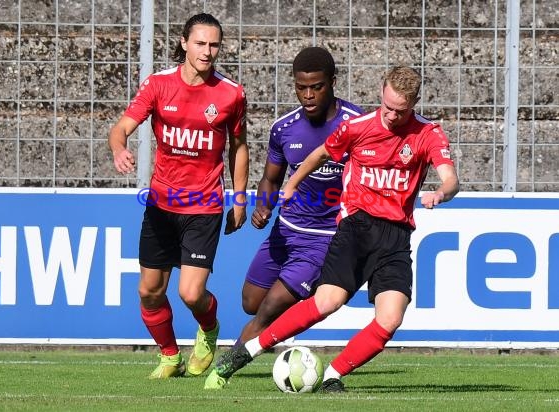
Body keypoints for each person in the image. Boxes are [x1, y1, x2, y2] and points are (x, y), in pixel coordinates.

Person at [205, 65, 459, 392]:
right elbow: (321, 152)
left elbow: (450, 176)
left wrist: (443, 192)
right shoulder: (358, 127)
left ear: (414, 103)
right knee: (327, 303)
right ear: (381, 93)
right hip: (355, 228)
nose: (392, 116)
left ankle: (333, 375)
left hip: (395, 237)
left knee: (391, 318)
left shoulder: (428, 133)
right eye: (387, 107)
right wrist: (294, 182)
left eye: (401, 110)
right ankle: (245, 353)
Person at [204, 47, 364, 389]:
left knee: (269, 309)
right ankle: (285, 323)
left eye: (317, 87)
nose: (308, 95)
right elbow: (271, 178)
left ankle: (225, 368)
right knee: (251, 303)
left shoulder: (358, 125)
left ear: (333, 83)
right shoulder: (285, 129)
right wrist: (263, 205)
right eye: (301, 87)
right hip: (284, 231)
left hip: (324, 240)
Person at [108, 12, 249, 379]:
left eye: (214, 44)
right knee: (150, 291)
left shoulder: (231, 93)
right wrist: (119, 148)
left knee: (190, 293)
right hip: (160, 205)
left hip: (204, 207)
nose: (207, 51)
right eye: (200, 43)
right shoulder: (157, 85)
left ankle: (209, 329)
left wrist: (239, 198)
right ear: (184, 43)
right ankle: (170, 356)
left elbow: (239, 147)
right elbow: (121, 127)